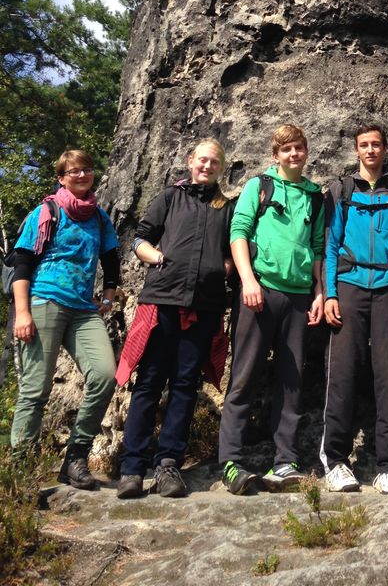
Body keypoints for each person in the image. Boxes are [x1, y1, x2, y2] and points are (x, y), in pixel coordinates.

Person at [116, 139, 233, 499]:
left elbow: (234, 247)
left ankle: (168, 465)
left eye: (214, 162)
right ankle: (132, 468)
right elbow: (141, 237)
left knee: (185, 385)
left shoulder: (226, 206)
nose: (207, 166)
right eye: (202, 160)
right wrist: (156, 257)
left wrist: (224, 268)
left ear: (221, 168)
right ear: (190, 161)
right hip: (162, 301)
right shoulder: (171, 197)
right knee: (149, 382)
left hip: (205, 306)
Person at [218, 124, 324, 495]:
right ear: (275, 155)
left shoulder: (314, 196)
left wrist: (319, 292)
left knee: (291, 382)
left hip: (298, 298)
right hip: (259, 292)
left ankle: (284, 462)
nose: (294, 154)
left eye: (299, 148)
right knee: (244, 377)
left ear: (306, 151)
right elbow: (238, 232)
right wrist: (248, 280)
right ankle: (230, 463)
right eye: (286, 149)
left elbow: (318, 247)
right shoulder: (258, 186)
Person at [10, 149, 120, 489]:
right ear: (61, 178)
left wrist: (108, 297)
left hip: (84, 309)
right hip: (45, 301)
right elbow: (22, 265)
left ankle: (75, 458)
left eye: (87, 169)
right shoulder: (46, 212)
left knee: (104, 376)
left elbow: (111, 260)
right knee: (35, 390)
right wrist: (23, 313)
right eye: (74, 171)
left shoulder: (99, 217)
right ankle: (21, 475)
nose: (82, 174)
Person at [321, 123, 388, 494]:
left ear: (385, 149)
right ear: (356, 150)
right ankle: (336, 461)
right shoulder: (342, 190)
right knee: (342, 373)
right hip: (349, 286)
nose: (371, 150)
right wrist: (330, 294)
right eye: (364, 145)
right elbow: (330, 245)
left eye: (376, 144)